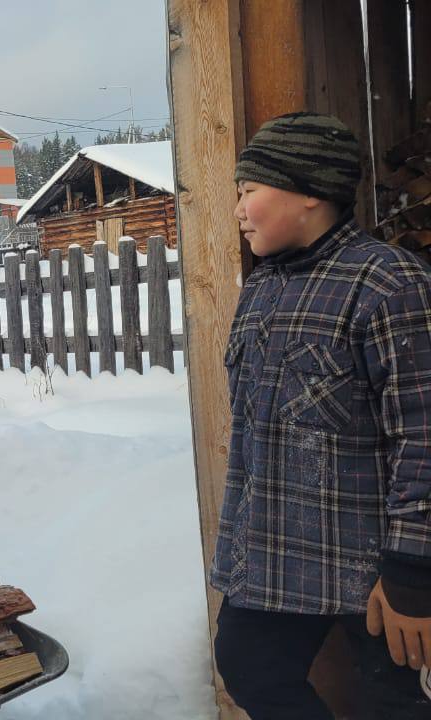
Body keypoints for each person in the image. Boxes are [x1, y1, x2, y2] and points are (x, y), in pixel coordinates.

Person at [210, 112, 431, 717]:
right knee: (247, 666)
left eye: (249, 191)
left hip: (376, 565)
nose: (238, 210)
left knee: (399, 704)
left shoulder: (389, 284)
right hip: (276, 555)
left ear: (309, 191)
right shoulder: (262, 288)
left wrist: (413, 572)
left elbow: (423, 435)